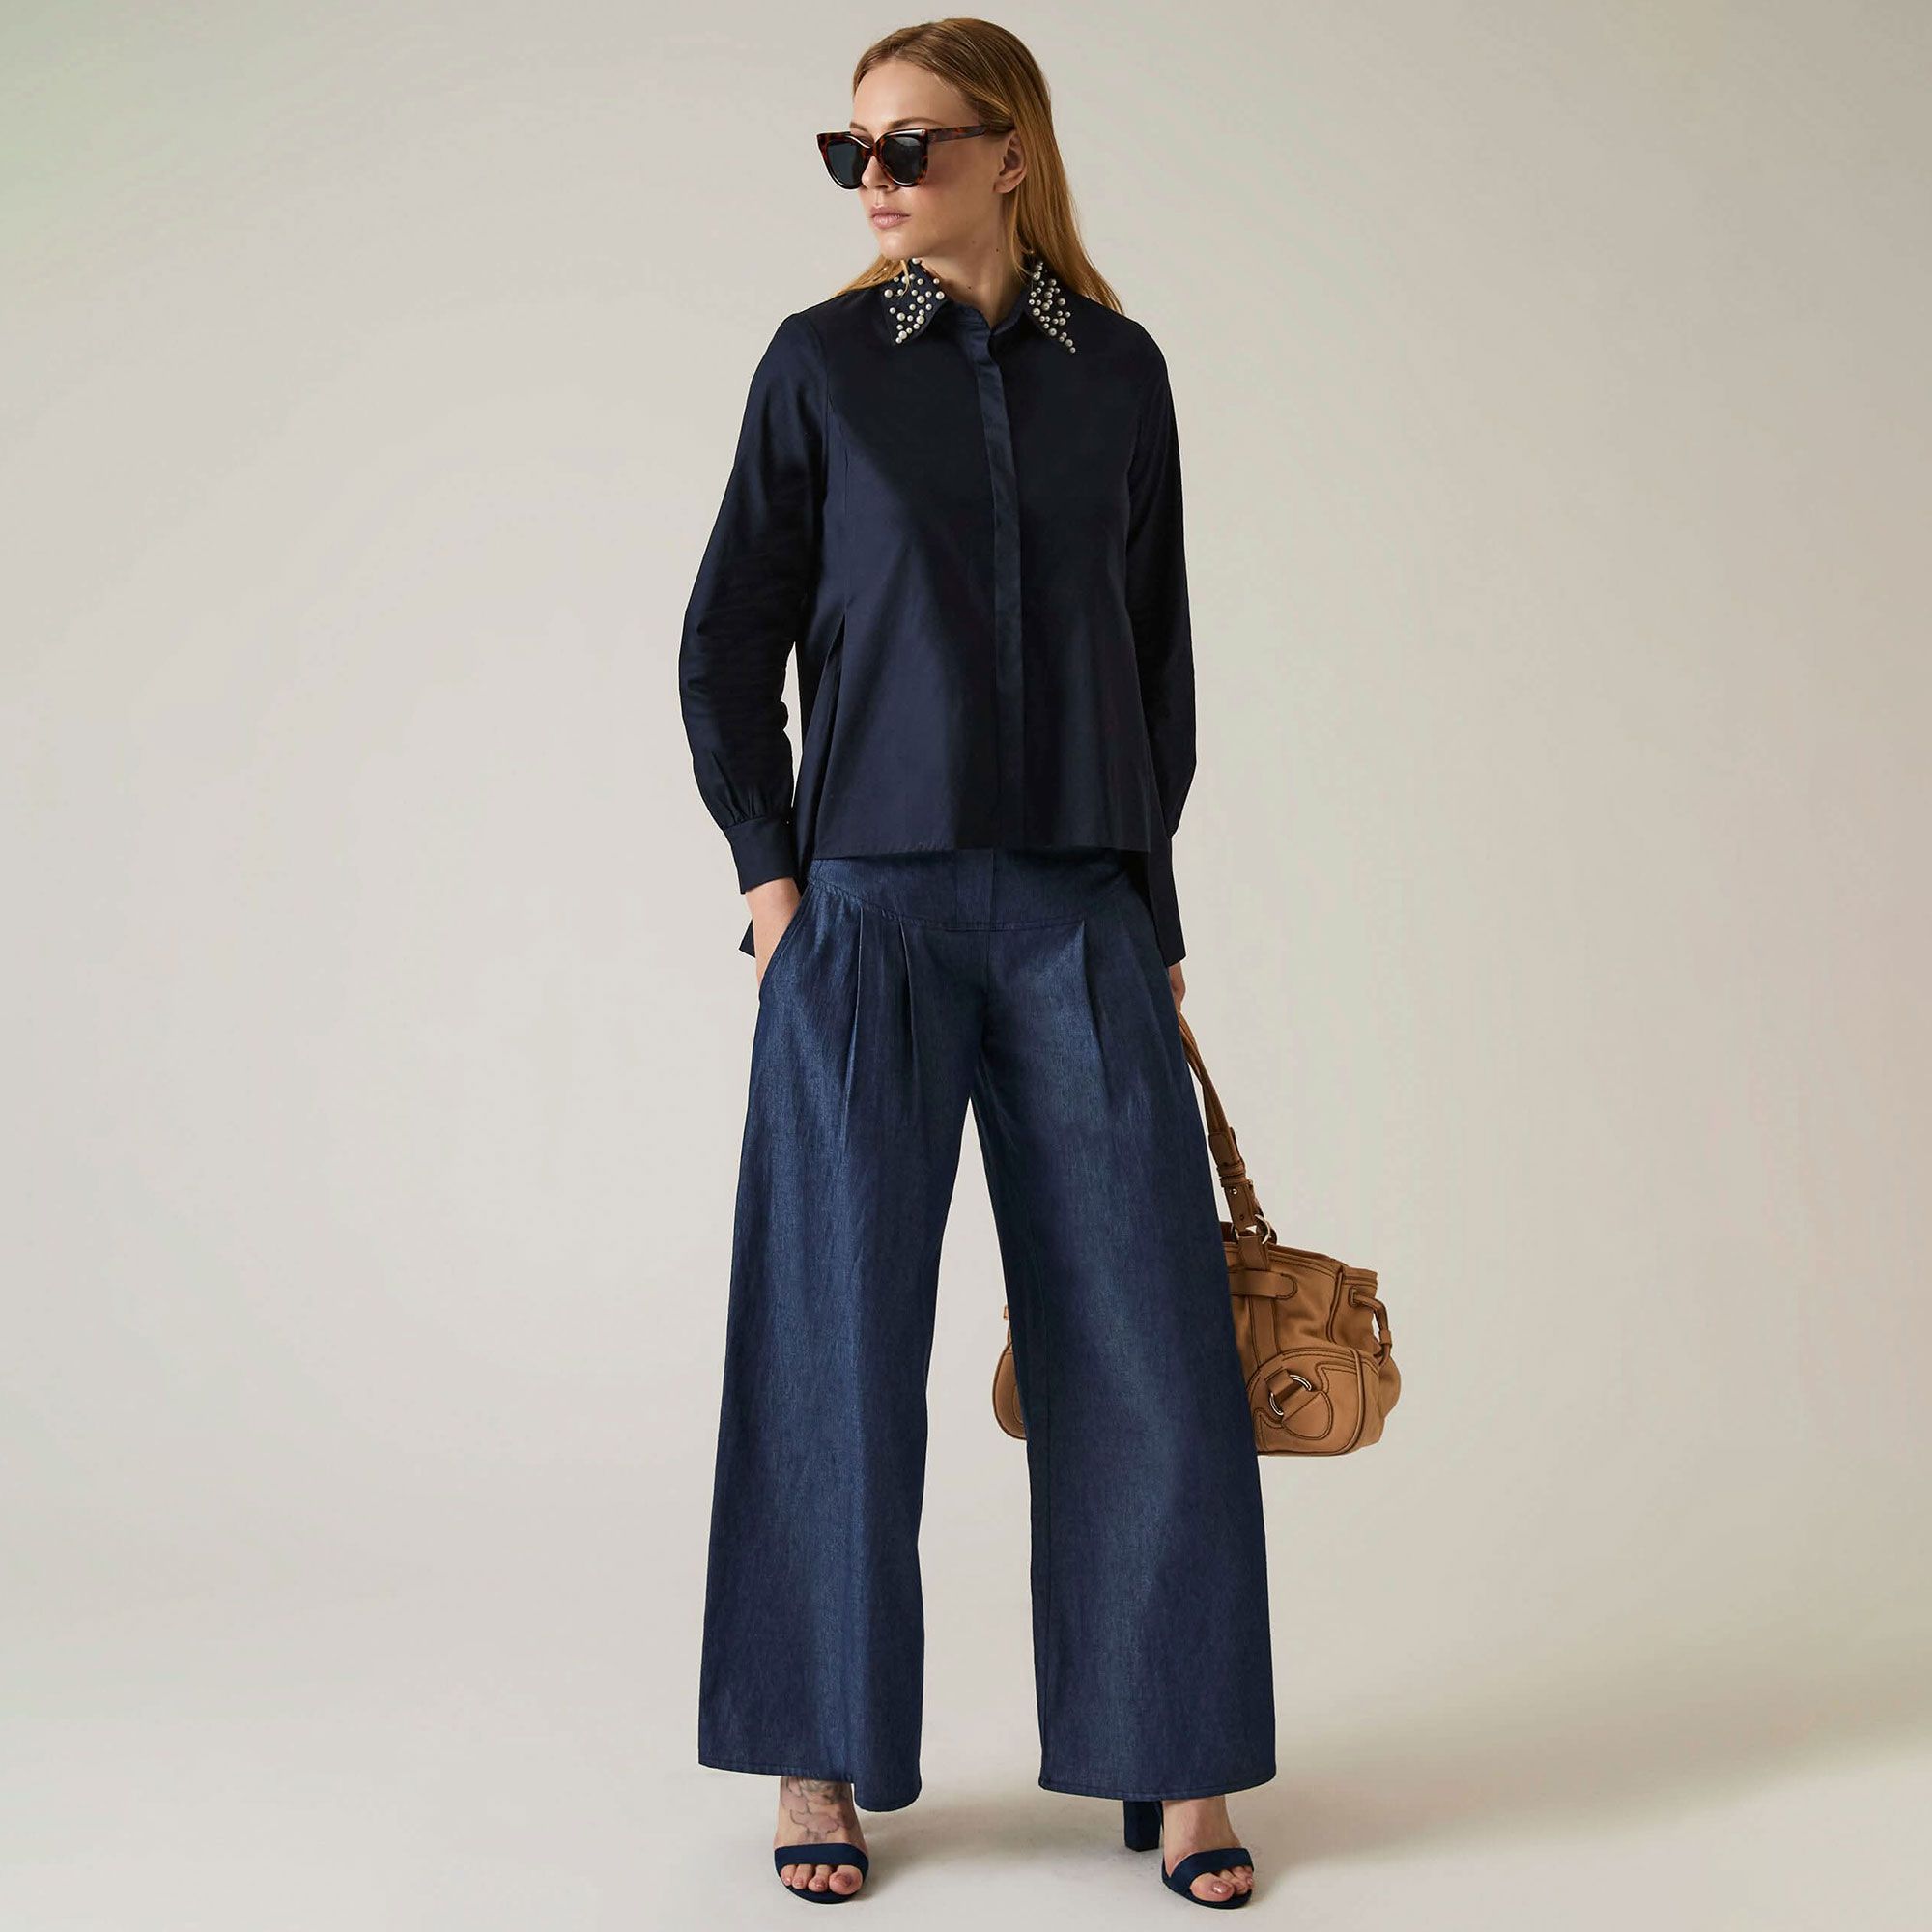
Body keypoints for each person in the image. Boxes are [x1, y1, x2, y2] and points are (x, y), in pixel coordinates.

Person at [677, 19, 1274, 1909]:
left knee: (1148, 1344)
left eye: (911, 145)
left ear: (1010, 153)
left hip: (1082, 910)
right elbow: (726, 641)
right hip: (865, 912)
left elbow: (1157, 668)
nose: (875, 180)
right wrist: (777, 887)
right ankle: (817, 1755)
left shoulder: (1121, 375)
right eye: (851, 150)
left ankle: (1178, 1763)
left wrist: (1150, 921)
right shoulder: (822, 365)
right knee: (833, 1335)